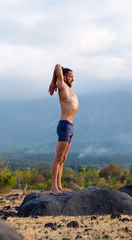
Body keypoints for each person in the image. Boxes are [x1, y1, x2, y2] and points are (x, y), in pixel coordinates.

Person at [48, 64, 79, 194]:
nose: (73, 79)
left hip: (70, 126)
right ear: (64, 78)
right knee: (58, 156)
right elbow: (57, 66)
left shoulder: (69, 89)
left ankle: (59, 186)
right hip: (64, 124)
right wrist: (53, 82)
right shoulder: (62, 86)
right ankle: (53, 187)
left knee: (63, 158)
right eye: (71, 77)